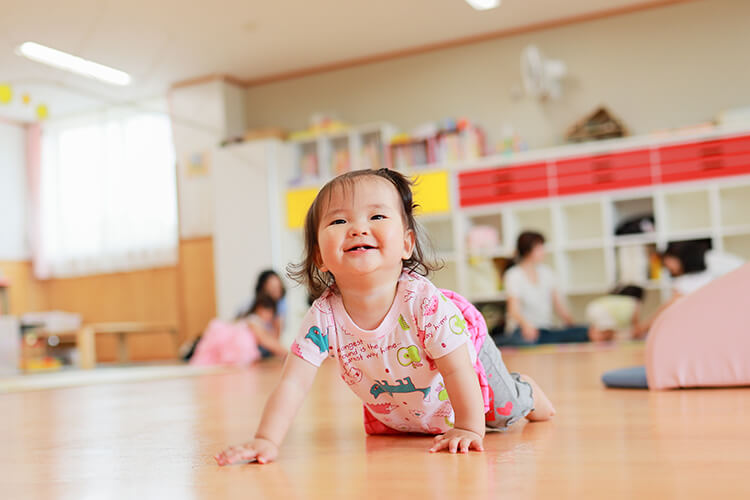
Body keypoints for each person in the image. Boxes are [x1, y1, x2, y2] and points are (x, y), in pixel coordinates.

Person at [215, 168, 555, 466]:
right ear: (320, 256)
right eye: (338, 220)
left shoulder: (424, 304)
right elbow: (293, 382)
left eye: (376, 217)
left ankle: (527, 391)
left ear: (406, 245)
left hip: (463, 357)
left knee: (502, 412)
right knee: (406, 432)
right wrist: (266, 439)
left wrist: (467, 426)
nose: (358, 228)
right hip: (410, 404)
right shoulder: (323, 316)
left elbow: (457, 368)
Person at [635, 240, 744, 336]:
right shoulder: (703, 266)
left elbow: (670, 306)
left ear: (678, 255)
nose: (666, 267)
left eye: (666, 261)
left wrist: (643, 328)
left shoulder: (707, 265)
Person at [499, 232, 588, 346]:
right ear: (528, 250)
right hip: (522, 331)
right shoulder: (513, 275)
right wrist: (526, 326)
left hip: (545, 331)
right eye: (540, 248)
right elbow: (513, 311)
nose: (543, 251)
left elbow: (559, 307)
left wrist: (573, 327)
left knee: (584, 331)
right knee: (526, 341)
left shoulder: (547, 273)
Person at [190, 294, 287, 366]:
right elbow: (266, 341)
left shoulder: (254, 321)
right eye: (270, 312)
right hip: (237, 346)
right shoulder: (254, 320)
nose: (270, 317)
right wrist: (287, 353)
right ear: (260, 309)